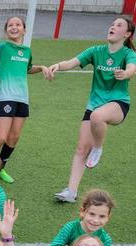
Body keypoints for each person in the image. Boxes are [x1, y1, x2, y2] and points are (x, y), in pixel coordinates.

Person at [48, 17, 136, 202]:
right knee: (81, 148)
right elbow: (72, 62)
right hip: (94, 104)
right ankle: (71, 192)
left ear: (127, 34)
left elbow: (131, 68)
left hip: (118, 104)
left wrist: (125, 73)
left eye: (119, 25)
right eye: (112, 24)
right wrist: (57, 66)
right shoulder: (96, 51)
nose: (113, 26)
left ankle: (98, 148)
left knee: (97, 116)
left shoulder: (128, 53)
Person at [0, 16, 50, 184]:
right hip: (5, 97)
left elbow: (27, 69)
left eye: (18, 24)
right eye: (10, 25)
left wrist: (40, 68)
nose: (14, 27)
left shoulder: (27, 51)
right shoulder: (2, 47)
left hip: (22, 99)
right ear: (6, 30)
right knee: (1, 138)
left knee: (14, 137)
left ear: (24, 30)